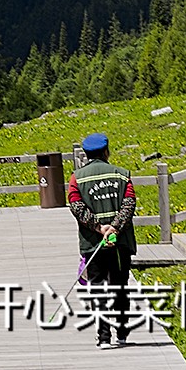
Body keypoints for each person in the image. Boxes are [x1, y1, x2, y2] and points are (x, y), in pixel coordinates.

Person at [68, 131, 138, 347]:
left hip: (92, 243)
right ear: (106, 151)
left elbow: (76, 207)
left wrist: (99, 228)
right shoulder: (122, 175)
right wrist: (114, 228)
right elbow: (129, 204)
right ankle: (123, 332)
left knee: (97, 287)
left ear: (86, 154)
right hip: (120, 243)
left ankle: (104, 337)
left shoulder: (76, 178)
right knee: (120, 285)